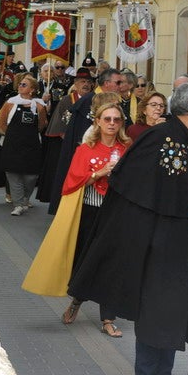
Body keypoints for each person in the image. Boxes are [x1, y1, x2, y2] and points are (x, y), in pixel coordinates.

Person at [68, 83, 188, 375]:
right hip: (160, 247)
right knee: (155, 315)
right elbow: (128, 183)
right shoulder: (158, 138)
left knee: (173, 316)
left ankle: (164, 373)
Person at [22, 103, 131, 338]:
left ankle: (108, 319)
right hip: (90, 212)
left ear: (121, 123)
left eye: (116, 119)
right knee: (85, 262)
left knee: (112, 266)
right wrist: (99, 173)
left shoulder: (127, 149)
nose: (112, 123)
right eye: (107, 119)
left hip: (116, 215)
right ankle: (76, 301)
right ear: (98, 122)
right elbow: (73, 182)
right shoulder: (86, 149)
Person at [47, 68, 123, 214]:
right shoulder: (87, 102)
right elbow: (83, 142)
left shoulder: (113, 101)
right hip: (91, 183)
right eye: (118, 82)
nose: (121, 86)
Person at [37, 68, 95, 205]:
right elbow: (59, 122)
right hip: (68, 145)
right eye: (82, 81)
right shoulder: (67, 101)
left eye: (88, 81)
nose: (86, 84)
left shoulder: (95, 100)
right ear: (75, 83)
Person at [0, 74, 48, 215]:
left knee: (30, 176)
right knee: (13, 174)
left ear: (32, 89)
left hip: (31, 145)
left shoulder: (39, 106)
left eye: (24, 84)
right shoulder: (10, 103)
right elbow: (2, 123)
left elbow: (41, 125)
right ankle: (18, 204)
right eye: (20, 84)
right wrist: (14, 136)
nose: (20, 86)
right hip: (12, 144)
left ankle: (25, 198)